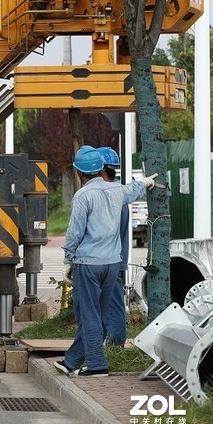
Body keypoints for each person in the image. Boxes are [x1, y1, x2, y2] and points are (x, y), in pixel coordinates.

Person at [56, 146, 154, 377]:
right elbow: (132, 190)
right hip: (112, 264)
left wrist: (68, 259)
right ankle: (71, 362)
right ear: (101, 169)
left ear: (79, 173)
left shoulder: (83, 196)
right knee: (99, 314)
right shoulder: (116, 191)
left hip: (88, 264)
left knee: (88, 315)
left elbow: (75, 232)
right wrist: (146, 182)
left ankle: (97, 365)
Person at [98, 146, 128, 346]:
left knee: (112, 304)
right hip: (116, 259)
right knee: (110, 303)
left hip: (107, 259)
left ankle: (115, 343)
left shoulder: (109, 195)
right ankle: (109, 341)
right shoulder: (120, 194)